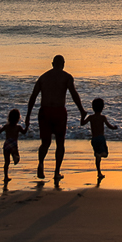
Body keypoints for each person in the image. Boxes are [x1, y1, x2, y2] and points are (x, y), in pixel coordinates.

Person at [26, 54, 86, 182]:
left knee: (45, 142)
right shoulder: (67, 77)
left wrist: (28, 116)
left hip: (44, 112)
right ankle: (56, 172)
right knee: (60, 143)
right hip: (59, 112)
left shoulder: (43, 77)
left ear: (52, 64)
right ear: (63, 64)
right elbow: (74, 94)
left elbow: (33, 97)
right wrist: (82, 111)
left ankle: (41, 163)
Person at [80, 97, 117, 179]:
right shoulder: (103, 117)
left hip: (94, 139)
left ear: (93, 107)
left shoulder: (90, 117)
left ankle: (99, 172)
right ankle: (100, 156)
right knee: (105, 154)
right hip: (101, 138)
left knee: (97, 156)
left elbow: (82, 123)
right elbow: (109, 126)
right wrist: (114, 127)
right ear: (102, 108)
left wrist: (82, 116)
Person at [0, 108, 26, 184]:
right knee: (17, 157)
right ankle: (15, 158)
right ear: (18, 118)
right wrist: (27, 126)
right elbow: (24, 132)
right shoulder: (18, 127)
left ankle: (6, 176)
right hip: (13, 144)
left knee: (7, 162)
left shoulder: (6, 126)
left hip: (6, 144)